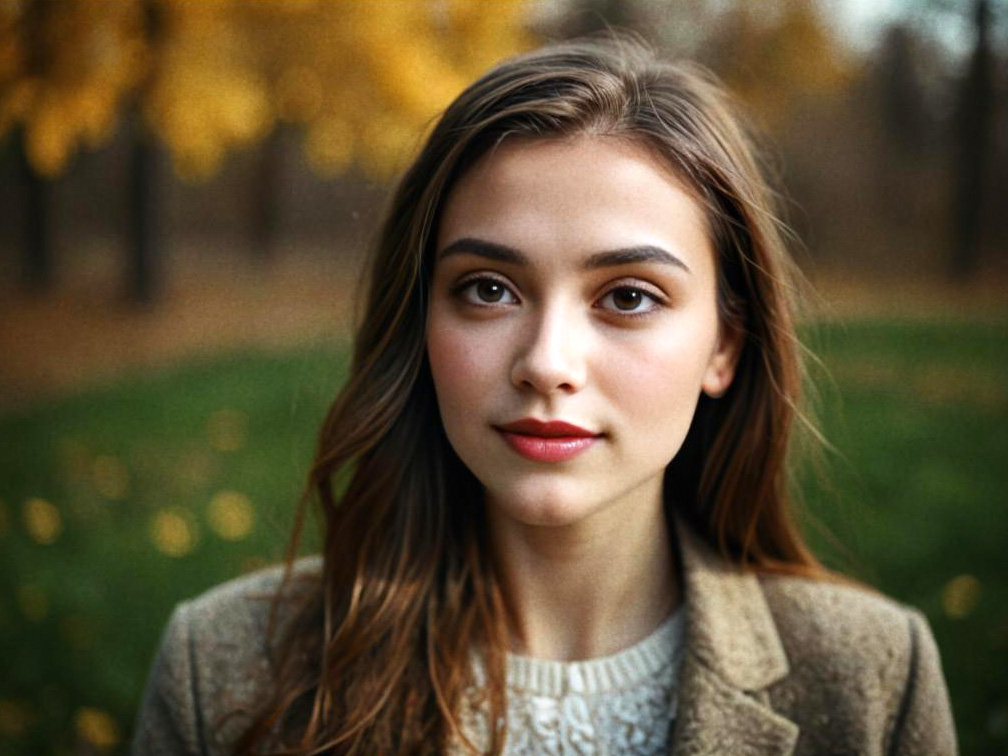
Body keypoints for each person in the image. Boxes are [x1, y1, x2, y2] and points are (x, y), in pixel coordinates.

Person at [131, 33, 957, 756]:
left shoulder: (874, 680)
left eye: (628, 296)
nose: (547, 363)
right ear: (420, 319)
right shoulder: (225, 668)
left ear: (725, 344)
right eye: (489, 289)